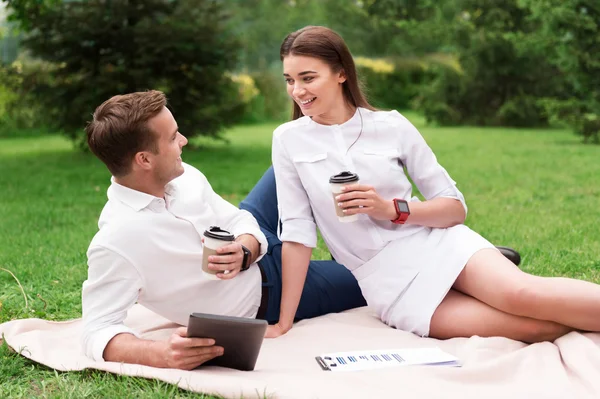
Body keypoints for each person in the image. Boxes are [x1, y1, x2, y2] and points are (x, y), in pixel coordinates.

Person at [267, 25, 600, 342]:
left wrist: (390, 209)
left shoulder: (391, 126)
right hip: (387, 283)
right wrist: (284, 322)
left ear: (341, 73)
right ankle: (483, 276)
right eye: (290, 80)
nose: (297, 91)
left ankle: (480, 272)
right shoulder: (288, 140)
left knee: (522, 294)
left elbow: (454, 208)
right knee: (533, 327)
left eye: (308, 78)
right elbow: (297, 233)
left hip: (436, 245)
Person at [82, 90, 366, 370]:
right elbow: (97, 330)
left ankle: (376, 212)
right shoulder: (116, 242)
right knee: (371, 276)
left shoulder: (183, 176)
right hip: (269, 293)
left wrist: (244, 249)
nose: (184, 140)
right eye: (172, 138)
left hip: (255, 241)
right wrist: (162, 354)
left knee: (300, 153)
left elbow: (238, 219)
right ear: (144, 159)